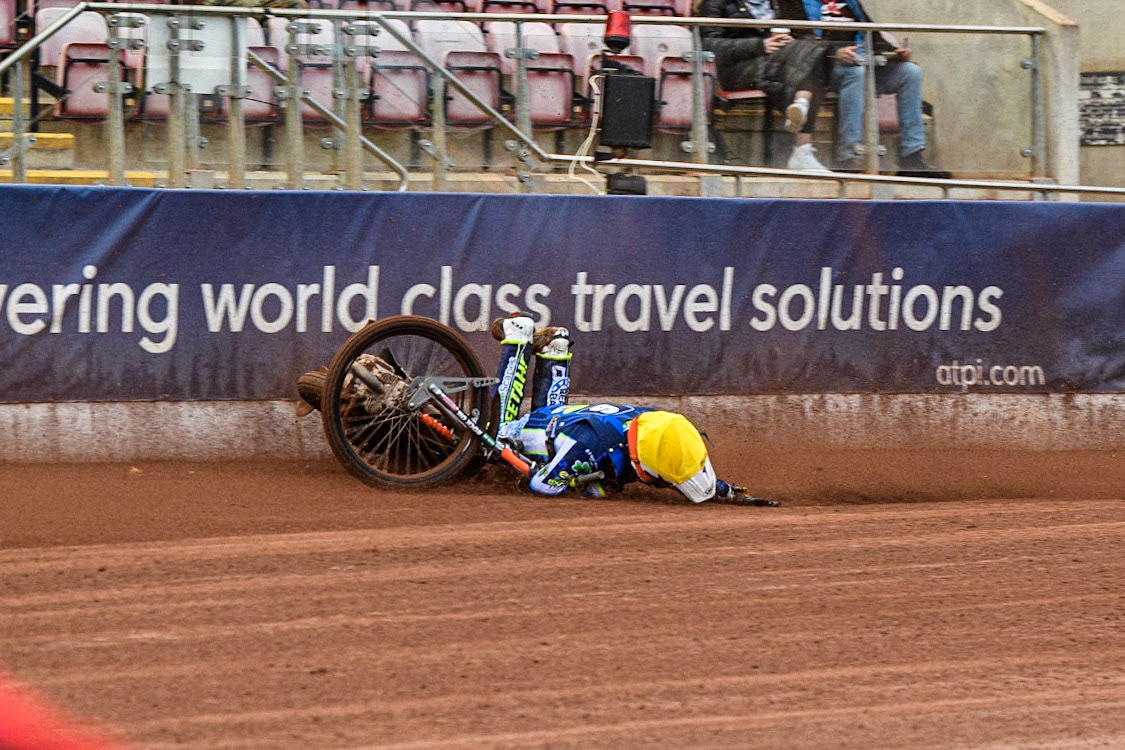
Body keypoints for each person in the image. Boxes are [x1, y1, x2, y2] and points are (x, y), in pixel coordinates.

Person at [489, 314, 776, 505]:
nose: (668, 484)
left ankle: (556, 346)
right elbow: (544, 486)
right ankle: (518, 339)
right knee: (495, 437)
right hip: (537, 434)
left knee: (557, 431)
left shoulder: (652, 422)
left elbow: (678, 462)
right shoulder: (589, 449)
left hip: (561, 423)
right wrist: (576, 482)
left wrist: (728, 492)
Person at [794, 0, 949, 176]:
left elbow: (872, 35)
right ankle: (849, 157)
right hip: (826, 71)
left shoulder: (850, 3)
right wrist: (834, 52)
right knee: (856, 72)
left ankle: (911, 157)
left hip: (863, 64)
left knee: (910, 72)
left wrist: (895, 52)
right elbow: (802, 42)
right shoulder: (801, 3)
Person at [698, 0, 837, 172]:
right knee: (813, 59)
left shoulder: (777, 2)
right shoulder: (714, 2)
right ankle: (802, 145)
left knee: (819, 54)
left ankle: (801, 105)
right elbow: (709, 45)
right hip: (738, 69)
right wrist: (760, 45)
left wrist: (787, 41)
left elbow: (803, 34)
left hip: (780, 63)